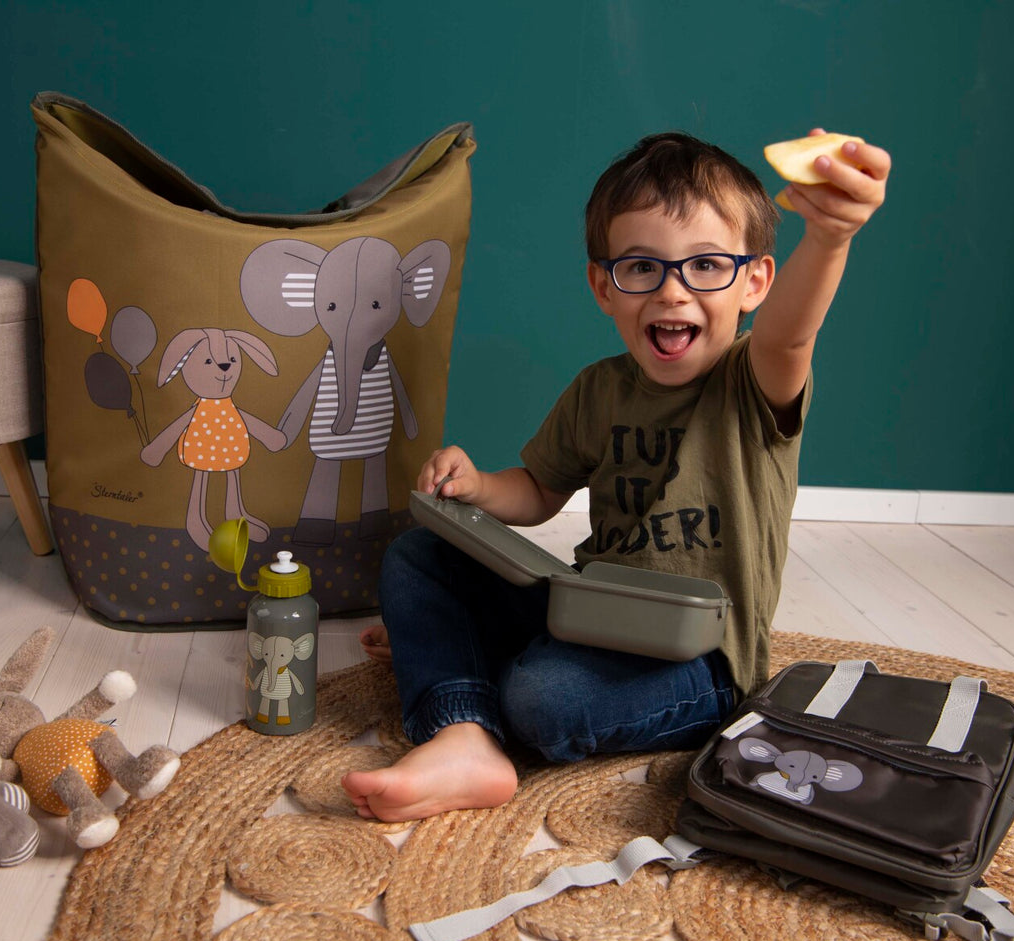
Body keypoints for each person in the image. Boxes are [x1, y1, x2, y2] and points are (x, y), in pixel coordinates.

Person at [342, 128, 891, 821]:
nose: (671, 292)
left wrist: (830, 236)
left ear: (753, 282)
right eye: (642, 268)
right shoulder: (597, 390)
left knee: (542, 700)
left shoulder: (751, 381)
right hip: (586, 611)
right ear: (604, 286)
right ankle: (462, 735)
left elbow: (790, 334)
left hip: (696, 659)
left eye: (705, 266)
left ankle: (463, 671)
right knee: (419, 554)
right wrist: (476, 486)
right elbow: (539, 490)